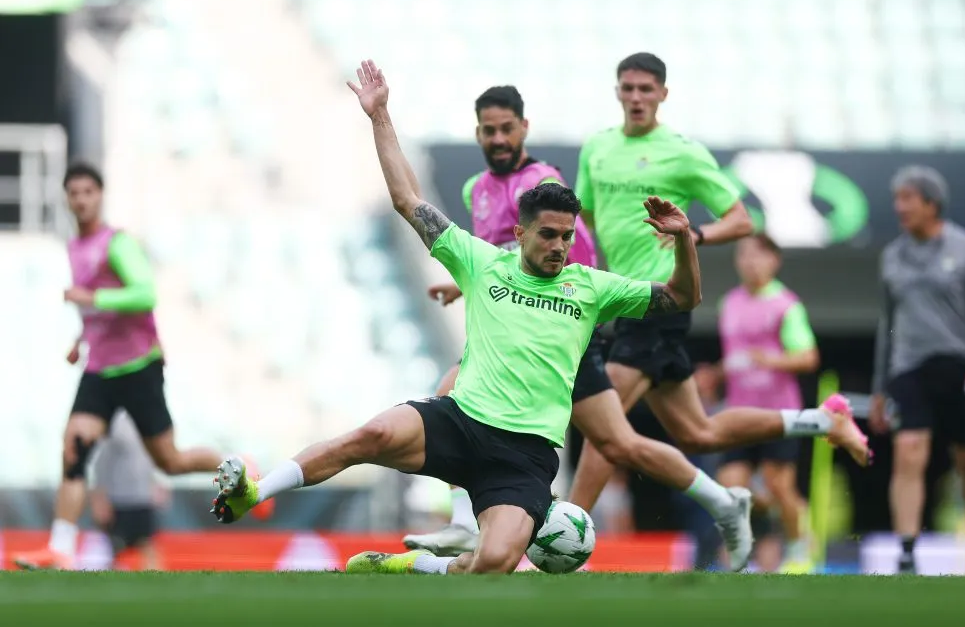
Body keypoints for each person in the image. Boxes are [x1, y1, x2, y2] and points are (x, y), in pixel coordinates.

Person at [210, 59, 757, 575]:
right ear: (520, 232)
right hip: (462, 422)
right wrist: (380, 117)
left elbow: (682, 297)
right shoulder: (481, 261)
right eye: (548, 235)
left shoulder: (592, 286)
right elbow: (407, 200)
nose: (560, 246)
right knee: (370, 434)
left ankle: (418, 565)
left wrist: (684, 240)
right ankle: (255, 491)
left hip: (524, 455)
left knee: (493, 563)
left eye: (567, 236)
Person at [568, 52, 872, 512]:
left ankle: (565, 534)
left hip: (658, 298)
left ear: (663, 94)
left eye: (646, 89)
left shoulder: (683, 151)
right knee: (700, 433)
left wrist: (695, 234)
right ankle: (821, 422)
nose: (636, 97)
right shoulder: (597, 148)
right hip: (622, 301)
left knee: (604, 429)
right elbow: (587, 220)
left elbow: (741, 219)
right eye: (628, 88)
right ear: (617, 92)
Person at [11, 162, 272, 571]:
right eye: (74, 193)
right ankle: (60, 550)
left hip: (137, 367)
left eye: (88, 192)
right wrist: (81, 339)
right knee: (74, 448)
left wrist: (91, 299)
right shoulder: (75, 246)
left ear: (100, 196)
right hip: (99, 370)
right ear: (66, 199)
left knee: (171, 461)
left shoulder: (117, 243)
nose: (81, 200)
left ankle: (240, 464)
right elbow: (98, 308)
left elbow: (144, 294)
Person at [403, 84, 597, 555]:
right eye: (489, 130)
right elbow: (499, 261)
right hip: (516, 330)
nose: (498, 138)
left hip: (558, 327)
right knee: (452, 396)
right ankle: (478, 525)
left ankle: (535, 529)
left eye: (507, 128)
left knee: (619, 442)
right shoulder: (476, 189)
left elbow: (569, 255)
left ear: (523, 127)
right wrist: (462, 285)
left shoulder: (543, 180)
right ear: (478, 133)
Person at [868, 166, 965, 575]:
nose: (900, 207)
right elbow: (888, 324)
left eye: (908, 199)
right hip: (908, 368)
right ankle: (907, 552)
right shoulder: (892, 257)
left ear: (932, 204)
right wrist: (879, 388)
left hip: (960, 367)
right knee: (909, 451)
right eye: (897, 199)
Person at [696, 234, 820, 573]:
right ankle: (740, 557)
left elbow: (808, 357)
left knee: (779, 485)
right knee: (730, 485)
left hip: (778, 414)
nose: (750, 262)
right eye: (744, 255)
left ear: (774, 261)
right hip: (739, 413)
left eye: (758, 256)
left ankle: (799, 551)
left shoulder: (786, 305)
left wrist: (770, 359)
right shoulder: (729, 303)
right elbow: (738, 359)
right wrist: (714, 374)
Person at [90, 410, 166, 571]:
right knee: (113, 549)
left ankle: (154, 583)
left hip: (143, 498)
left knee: (148, 546)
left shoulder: (149, 421)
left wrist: (157, 484)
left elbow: (154, 460)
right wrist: (100, 496)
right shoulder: (114, 423)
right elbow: (101, 462)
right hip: (119, 499)